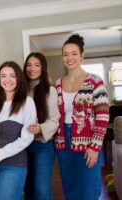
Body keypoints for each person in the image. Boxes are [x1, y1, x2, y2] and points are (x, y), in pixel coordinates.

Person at [55, 34, 109, 200]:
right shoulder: (58, 84)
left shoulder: (95, 81)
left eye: (74, 53)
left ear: (81, 56)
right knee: (69, 187)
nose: (69, 58)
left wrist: (95, 146)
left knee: (88, 188)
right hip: (63, 141)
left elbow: (103, 115)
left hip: (88, 141)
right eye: (65, 54)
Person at [0, 61, 37, 200]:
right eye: (3, 76)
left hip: (14, 165)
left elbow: (27, 138)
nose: (7, 80)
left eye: (12, 76)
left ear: (19, 78)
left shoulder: (27, 102)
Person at [23, 52, 60, 200]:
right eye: (29, 65)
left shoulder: (50, 91)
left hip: (42, 146)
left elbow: (54, 120)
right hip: (22, 146)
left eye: (37, 65)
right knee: (28, 189)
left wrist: (41, 128)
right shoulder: (19, 90)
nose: (32, 69)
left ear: (43, 68)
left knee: (41, 191)